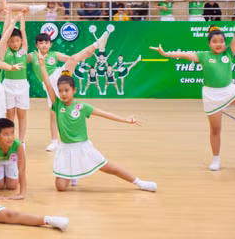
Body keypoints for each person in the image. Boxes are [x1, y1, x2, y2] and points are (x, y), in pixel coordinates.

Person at [150, 9, 235, 171]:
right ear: (209, 44)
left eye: (221, 41)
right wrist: (166, 53)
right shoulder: (203, 55)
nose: (219, 44)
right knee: (215, 129)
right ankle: (216, 159)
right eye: (215, 41)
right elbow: (184, 54)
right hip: (212, 95)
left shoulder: (229, 53)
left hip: (229, 90)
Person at [37, 53, 156, 192]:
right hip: (65, 149)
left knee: (109, 167)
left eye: (67, 90)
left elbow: (104, 114)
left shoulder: (82, 107)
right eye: (60, 91)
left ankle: (140, 182)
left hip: (82, 147)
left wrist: (125, 120)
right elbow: (48, 84)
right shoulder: (57, 105)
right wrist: (42, 66)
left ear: (74, 90)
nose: (63, 94)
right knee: (60, 187)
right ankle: (74, 173)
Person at [28, 29, 111, 152]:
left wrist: (83, 57)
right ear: (36, 45)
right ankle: (54, 142)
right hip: (48, 83)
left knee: (73, 58)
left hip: (59, 76)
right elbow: (20, 59)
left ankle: (97, 44)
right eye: (41, 43)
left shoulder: (55, 54)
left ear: (50, 44)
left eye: (46, 42)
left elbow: (72, 59)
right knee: (53, 113)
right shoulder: (32, 55)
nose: (44, 45)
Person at [0, 13, 31, 143]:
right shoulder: (6, 50)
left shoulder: (24, 50)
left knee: (21, 115)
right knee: (10, 114)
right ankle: (9, 139)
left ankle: (21, 142)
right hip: (8, 85)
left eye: (17, 40)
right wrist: (10, 18)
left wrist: (21, 16)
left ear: (21, 41)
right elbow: (5, 34)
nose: (15, 43)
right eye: (12, 41)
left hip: (22, 85)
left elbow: (23, 30)